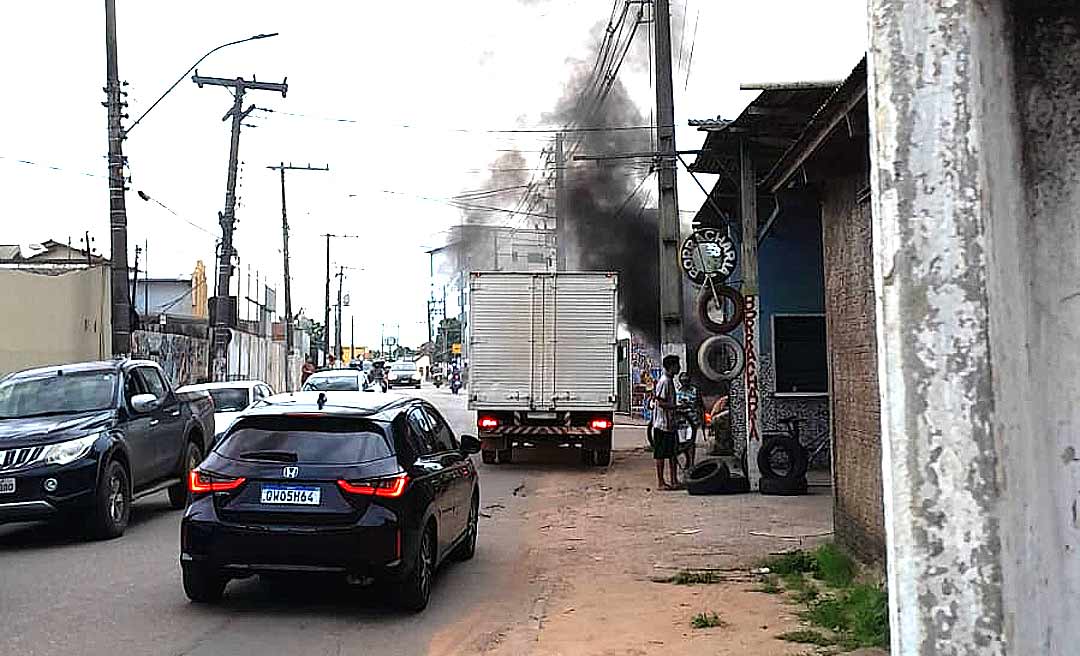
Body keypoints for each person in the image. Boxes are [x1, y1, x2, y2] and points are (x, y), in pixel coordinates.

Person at [651, 355, 681, 490]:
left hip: (670, 424)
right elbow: (660, 402)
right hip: (662, 425)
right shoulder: (664, 382)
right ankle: (661, 482)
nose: (679, 367)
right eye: (677, 365)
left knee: (673, 453)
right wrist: (675, 407)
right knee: (661, 454)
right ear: (671, 366)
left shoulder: (669, 380)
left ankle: (674, 480)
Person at [676, 371, 704, 470]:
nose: (685, 382)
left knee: (691, 442)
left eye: (686, 380)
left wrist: (702, 419)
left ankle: (691, 463)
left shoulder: (695, 391)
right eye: (683, 380)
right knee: (682, 443)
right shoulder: (677, 392)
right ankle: (686, 462)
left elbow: (700, 405)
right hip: (680, 422)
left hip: (692, 420)